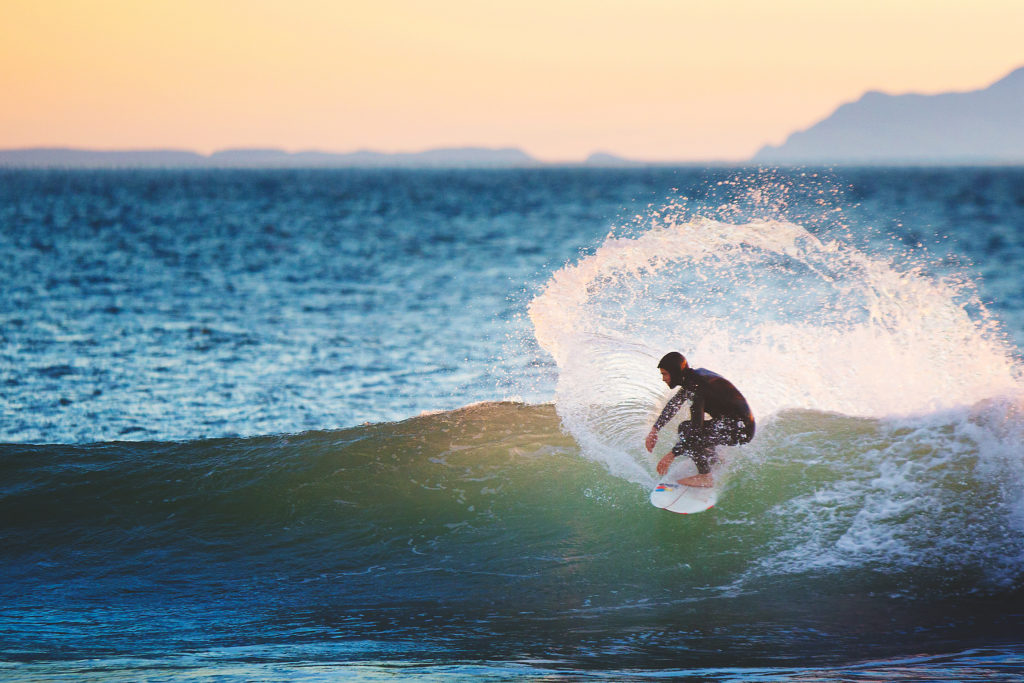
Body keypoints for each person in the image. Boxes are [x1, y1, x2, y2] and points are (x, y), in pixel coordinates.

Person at [644, 351, 754, 488]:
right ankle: (714, 460)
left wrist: (672, 455)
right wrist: (655, 429)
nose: (663, 379)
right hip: (737, 425)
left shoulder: (697, 388)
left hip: (740, 429)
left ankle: (705, 477)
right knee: (687, 429)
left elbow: (696, 431)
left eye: (665, 374)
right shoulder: (694, 378)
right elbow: (675, 404)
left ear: (675, 372)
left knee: (688, 431)